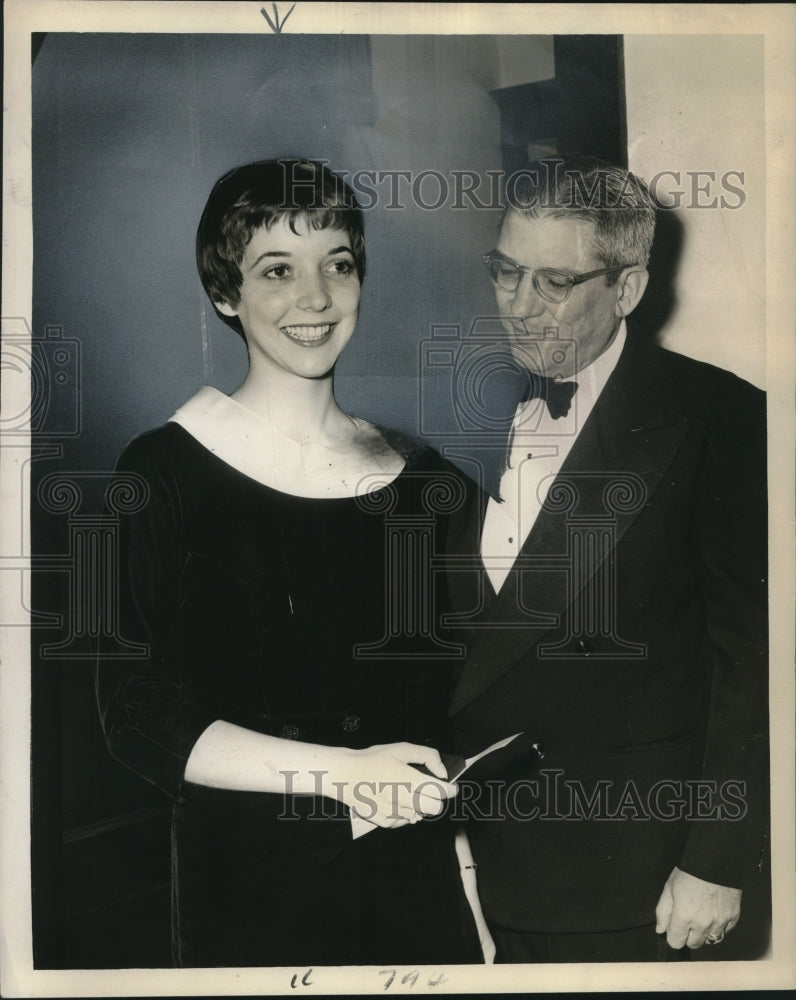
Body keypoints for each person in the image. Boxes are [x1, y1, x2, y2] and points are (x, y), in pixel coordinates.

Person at [94, 159, 482, 968]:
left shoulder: (429, 481)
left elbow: (468, 699)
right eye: (278, 270)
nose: (315, 298)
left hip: (416, 884)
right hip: (250, 891)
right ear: (224, 294)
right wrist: (346, 773)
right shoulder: (159, 472)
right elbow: (135, 718)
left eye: (337, 264)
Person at [446, 154, 768, 963]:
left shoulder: (722, 418)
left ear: (625, 289)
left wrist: (717, 859)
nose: (518, 307)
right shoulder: (449, 406)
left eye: (552, 283)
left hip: (643, 875)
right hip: (477, 857)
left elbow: (754, 661)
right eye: (505, 272)